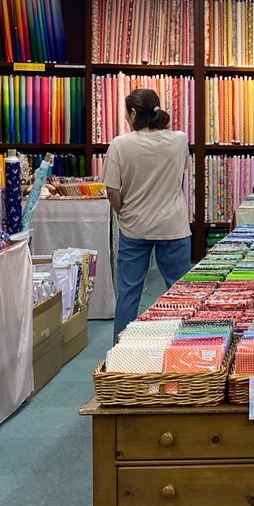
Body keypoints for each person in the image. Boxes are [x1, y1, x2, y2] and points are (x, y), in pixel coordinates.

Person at [104, 88, 191, 341]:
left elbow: (112, 189)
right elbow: (179, 174)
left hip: (135, 226)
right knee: (181, 293)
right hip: (173, 226)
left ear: (132, 112)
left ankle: (121, 354)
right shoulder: (179, 140)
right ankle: (187, 350)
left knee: (129, 293)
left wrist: (125, 212)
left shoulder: (120, 144)